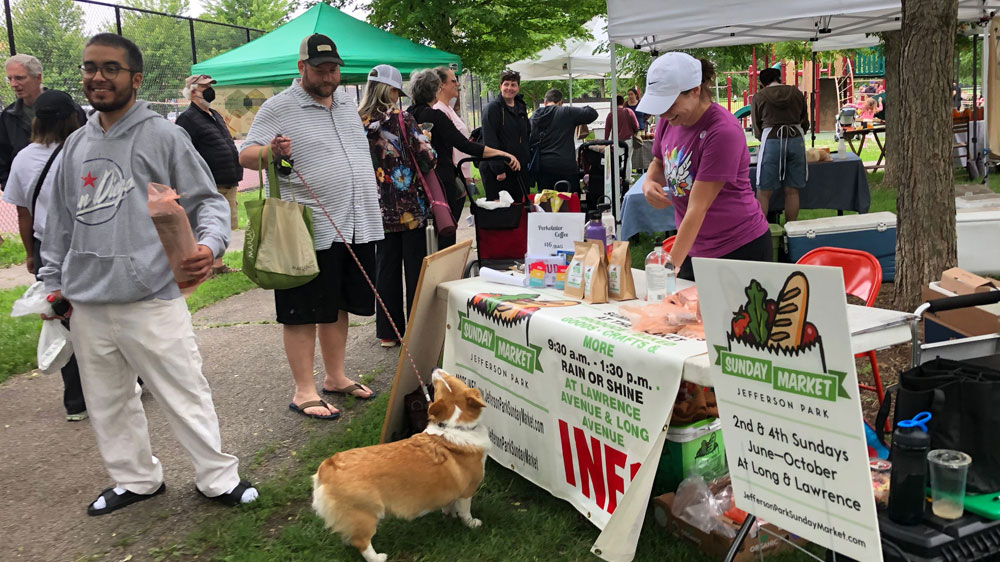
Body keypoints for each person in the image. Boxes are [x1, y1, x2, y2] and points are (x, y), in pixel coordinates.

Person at [39, 33, 258, 515]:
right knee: (108, 400)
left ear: (135, 79)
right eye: (90, 67)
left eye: (111, 68)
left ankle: (217, 477)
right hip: (88, 301)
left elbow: (206, 202)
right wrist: (51, 283)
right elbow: (56, 222)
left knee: (184, 391)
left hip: (152, 295)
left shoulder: (164, 135)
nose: (97, 77)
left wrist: (208, 244)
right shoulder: (76, 144)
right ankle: (135, 479)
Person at [239, 33, 380, 421]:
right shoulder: (278, 107)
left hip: (354, 223)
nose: (328, 75)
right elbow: (246, 155)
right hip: (307, 228)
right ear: (302, 68)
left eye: (333, 68)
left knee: (336, 306)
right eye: (320, 69)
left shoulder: (347, 103)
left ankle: (335, 376)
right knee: (301, 310)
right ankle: (304, 390)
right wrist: (271, 152)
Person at [639, 52, 771, 281]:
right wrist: (649, 182)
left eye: (670, 103)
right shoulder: (668, 121)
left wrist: (668, 274)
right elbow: (659, 162)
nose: (664, 113)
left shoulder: (722, 131)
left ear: (695, 90)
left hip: (739, 247)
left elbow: (697, 207)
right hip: (694, 245)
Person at [1, 89, 87, 422]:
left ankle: (76, 401)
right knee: (106, 310)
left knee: (62, 318)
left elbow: (24, 213)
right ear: (73, 118)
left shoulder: (23, 158)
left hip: (43, 244)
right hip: (87, 243)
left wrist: (30, 254)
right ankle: (129, 381)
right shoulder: (83, 153)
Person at [358, 65, 436, 348]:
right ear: (389, 90)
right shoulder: (401, 119)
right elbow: (428, 158)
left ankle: (389, 332)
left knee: (385, 269)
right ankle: (416, 330)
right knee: (415, 268)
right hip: (408, 208)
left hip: (375, 209)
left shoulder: (356, 122)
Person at [407, 69, 520, 248]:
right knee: (445, 233)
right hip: (440, 183)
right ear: (436, 88)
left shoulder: (407, 114)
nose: (457, 84)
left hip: (414, 183)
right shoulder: (436, 115)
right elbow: (465, 145)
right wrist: (501, 154)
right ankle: (443, 271)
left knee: (421, 239)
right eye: (454, 81)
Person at [175, 74, 241, 276]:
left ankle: (217, 265)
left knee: (224, 225)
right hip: (209, 182)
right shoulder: (187, 119)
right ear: (193, 91)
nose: (210, 90)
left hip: (227, 179)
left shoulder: (214, 114)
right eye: (205, 87)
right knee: (208, 224)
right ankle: (208, 266)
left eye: (211, 86)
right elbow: (183, 152)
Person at [0, 54, 84, 186]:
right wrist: (10, 185)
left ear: (38, 77)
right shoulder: (8, 116)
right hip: (28, 192)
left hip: (69, 185)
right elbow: (3, 155)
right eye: (9, 79)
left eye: (19, 78)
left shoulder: (67, 108)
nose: (13, 84)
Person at [750, 67, 809, 222]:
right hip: (796, 139)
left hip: (772, 140)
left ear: (762, 83)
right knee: (792, 190)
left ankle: (761, 232)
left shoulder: (759, 96)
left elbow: (757, 127)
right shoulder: (796, 93)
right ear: (780, 78)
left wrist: (760, 137)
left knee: (763, 190)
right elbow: (804, 120)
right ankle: (791, 231)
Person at [529, 88, 596, 192]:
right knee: (566, 202)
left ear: (545, 102)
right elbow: (592, 113)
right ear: (560, 102)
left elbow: (530, 139)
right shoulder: (566, 112)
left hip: (543, 167)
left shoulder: (535, 116)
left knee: (546, 202)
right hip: (565, 166)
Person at [480, 69, 530, 201]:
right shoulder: (493, 108)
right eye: (506, 84)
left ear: (518, 87)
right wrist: (498, 168)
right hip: (499, 171)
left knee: (521, 210)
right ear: (500, 86)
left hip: (518, 167)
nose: (509, 88)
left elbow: (525, 136)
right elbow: (489, 139)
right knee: (502, 213)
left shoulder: (521, 108)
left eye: (513, 85)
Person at [431, 66, 472, 184]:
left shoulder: (447, 108)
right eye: (453, 80)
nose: (457, 84)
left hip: (460, 173)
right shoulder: (439, 110)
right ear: (441, 84)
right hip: (454, 175)